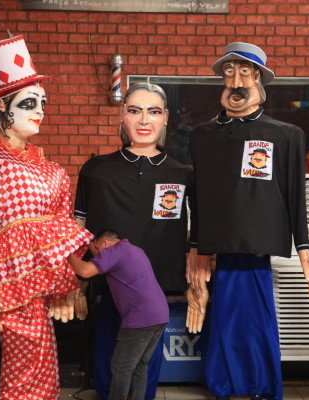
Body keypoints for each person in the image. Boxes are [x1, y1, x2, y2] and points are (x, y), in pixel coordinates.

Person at [0, 35, 93, 399]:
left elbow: (60, 231)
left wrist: (68, 285)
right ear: (2, 105)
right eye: (29, 103)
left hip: (40, 280)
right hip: (7, 278)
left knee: (43, 358)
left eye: (42, 103)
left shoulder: (51, 169)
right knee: (26, 359)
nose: (40, 111)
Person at [189, 42, 309, 400]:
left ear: (258, 78)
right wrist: (196, 246)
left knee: (257, 320)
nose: (236, 82)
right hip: (220, 245)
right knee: (226, 318)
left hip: (258, 246)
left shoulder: (285, 135)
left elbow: (295, 192)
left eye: (244, 73)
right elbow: (198, 196)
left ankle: (260, 383)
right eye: (229, 73)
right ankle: (225, 383)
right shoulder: (203, 135)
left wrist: (304, 247)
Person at [74, 82, 202, 400]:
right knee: (110, 359)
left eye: (153, 112)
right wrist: (74, 281)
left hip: (156, 289)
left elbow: (198, 228)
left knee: (145, 363)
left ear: (166, 118)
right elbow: (76, 227)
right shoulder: (96, 170)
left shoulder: (182, 174)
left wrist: (197, 273)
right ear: (123, 116)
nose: (144, 120)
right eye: (135, 111)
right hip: (107, 285)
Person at [68, 230, 169, 400]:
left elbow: (84, 271)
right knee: (140, 365)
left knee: (121, 366)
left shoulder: (113, 251)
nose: (97, 256)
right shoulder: (136, 250)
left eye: (96, 250)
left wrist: (66, 253)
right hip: (160, 314)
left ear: (104, 243)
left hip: (140, 318)